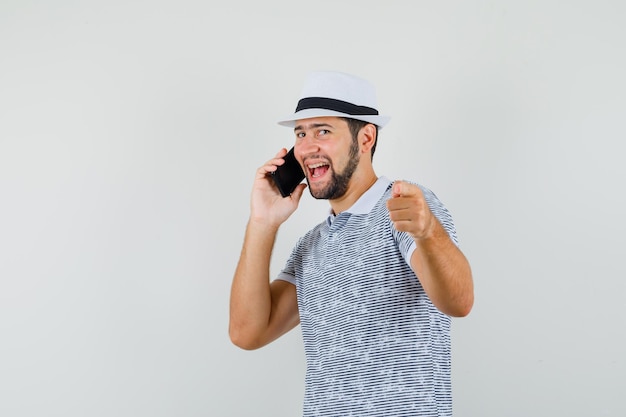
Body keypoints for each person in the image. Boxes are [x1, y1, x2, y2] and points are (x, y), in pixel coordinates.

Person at [229, 71, 474, 416]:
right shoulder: (311, 246)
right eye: (300, 133)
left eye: (323, 131)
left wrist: (428, 231)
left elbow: (460, 301)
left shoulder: (404, 209)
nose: (307, 146)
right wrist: (262, 222)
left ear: (365, 137)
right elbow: (246, 332)